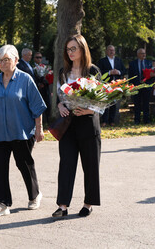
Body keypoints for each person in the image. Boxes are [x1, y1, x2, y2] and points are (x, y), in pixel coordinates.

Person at [0, 44, 46, 218]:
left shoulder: (25, 80)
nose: (2, 63)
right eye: (0, 60)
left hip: (21, 132)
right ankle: (2, 204)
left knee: (24, 165)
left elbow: (37, 108)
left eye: (6, 60)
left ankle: (34, 195)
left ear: (16, 60)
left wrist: (39, 130)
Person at [52, 34, 102, 218]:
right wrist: (59, 105)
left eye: (74, 48)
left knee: (90, 166)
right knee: (66, 164)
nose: (70, 52)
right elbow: (59, 95)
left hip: (88, 123)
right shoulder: (63, 72)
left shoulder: (93, 71)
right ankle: (62, 205)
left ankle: (88, 204)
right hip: (68, 124)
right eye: (68, 49)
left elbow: (102, 99)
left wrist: (89, 111)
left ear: (82, 49)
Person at [97, 45, 126, 126]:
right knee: (105, 103)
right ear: (106, 51)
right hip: (106, 85)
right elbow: (99, 72)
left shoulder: (119, 60)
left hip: (116, 84)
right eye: (109, 50)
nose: (111, 52)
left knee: (114, 103)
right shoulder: (102, 61)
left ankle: (112, 121)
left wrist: (118, 72)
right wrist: (109, 72)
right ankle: (104, 121)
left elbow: (124, 71)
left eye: (113, 50)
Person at [128, 48, 154, 124]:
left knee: (146, 104)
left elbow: (153, 75)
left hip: (146, 87)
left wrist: (152, 76)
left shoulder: (149, 63)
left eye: (144, 53)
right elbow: (130, 76)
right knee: (137, 104)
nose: (144, 55)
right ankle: (137, 120)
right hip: (136, 86)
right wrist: (131, 86)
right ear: (138, 54)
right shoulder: (133, 64)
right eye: (142, 53)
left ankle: (146, 120)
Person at [33, 52, 51, 125]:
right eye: (37, 57)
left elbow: (49, 78)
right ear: (34, 58)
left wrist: (44, 82)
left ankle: (47, 121)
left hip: (45, 89)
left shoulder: (44, 67)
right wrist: (39, 84)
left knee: (47, 104)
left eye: (40, 57)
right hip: (37, 89)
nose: (39, 59)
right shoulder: (32, 67)